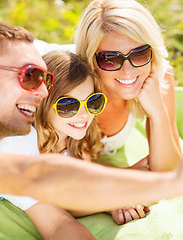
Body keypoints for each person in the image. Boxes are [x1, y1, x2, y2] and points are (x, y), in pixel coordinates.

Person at [0, 20, 183, 239]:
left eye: (44, 78)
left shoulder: (19, 134)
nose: (42, 92)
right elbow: (39, 177)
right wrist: (177, 183)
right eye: (30, 77)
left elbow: (58, 221)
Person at [35, 50, 150, 226]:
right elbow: (61, 199)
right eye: (68, 105)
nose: (84, 114)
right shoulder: (29, 145)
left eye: (92, 102)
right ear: (43, 103)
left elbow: (83, 174)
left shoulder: (73, 136)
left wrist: (129, 173)